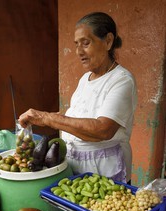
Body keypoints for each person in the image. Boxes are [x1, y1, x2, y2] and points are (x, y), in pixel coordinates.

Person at [18, 12, 137, 184]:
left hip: (104, 174)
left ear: (108, 41)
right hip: (76, 170)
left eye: (86, 43)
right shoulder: (85, 79)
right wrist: (46, 119)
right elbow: (80, 116)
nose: (79, 52)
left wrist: (47, 118)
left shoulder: (121, 80)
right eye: (76, 45)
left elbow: (103, 129)